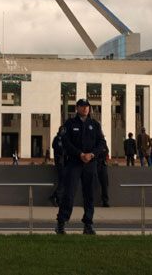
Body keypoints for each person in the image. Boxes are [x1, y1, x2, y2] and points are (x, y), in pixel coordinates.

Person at [56, 99, 107, 235]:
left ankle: (88, 224)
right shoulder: (70, 124)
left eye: (87, 107)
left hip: (90, 164)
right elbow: (65, 142)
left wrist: (92, 155)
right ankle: (61, 223)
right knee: (69, 194)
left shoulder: (94, 124)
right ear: (77, 108)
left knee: (90, 195)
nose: (85, 109)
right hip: (74, 163)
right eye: (82, 106)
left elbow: (102, 143)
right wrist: (79, 154)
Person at [49, 128, 66, 207]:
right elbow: (60, 150)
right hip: (60, 162)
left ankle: (58, 198)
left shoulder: (64, 139)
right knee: (63, 181)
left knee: (63, 182)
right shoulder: (57, 139)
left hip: (64, 163)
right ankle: (54, 196)